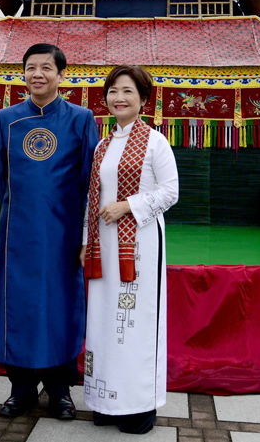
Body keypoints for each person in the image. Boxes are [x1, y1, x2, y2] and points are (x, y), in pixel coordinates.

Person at [0, 43, 98, 419]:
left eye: (46, 68)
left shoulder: (82, 119)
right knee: (17, 309)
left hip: (63, 237)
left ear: (62, 75)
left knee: (60, 309)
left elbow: (89, 183)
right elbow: (1, 180)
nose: (38, 75)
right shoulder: (6, 119)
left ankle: (61, 391)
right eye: (31, 68)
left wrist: (82, 235)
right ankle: (21, 390)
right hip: (17, 234)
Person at [82, 65, 178, 435]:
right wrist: (85, 243)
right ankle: (107, 401)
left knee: (135, 326)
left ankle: (139, 407)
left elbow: (171, 192)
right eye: (112, 92)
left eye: (127, 92)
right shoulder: (102, 145)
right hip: (103, 248)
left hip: (139, 246)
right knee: (104, 323)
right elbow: (93, 200)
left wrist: (128, 206)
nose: (118, 98)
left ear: (143, 99)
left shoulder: (156, 142)